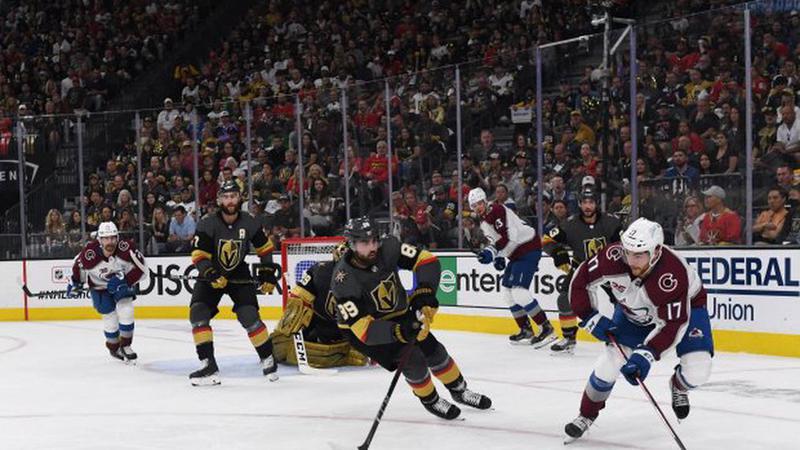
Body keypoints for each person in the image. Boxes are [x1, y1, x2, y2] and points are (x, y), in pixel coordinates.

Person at [563, 218, 713, 442]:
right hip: (633, 314)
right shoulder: (613, 257)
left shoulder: (672, 274)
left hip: (688, 310)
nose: (630, 260)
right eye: (628, 251)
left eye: (639, 254)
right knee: (609, 363)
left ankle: (678, 386)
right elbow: (580, 280)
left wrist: (646, 354)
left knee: (699, 370)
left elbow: (672, 325)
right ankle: (586, 415)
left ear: (656, 251)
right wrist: (589, 316)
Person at [331, 217, 491, 420]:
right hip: (366, 328)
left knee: (434, 350)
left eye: (374, 240)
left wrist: (424, 291)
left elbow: (426, 260)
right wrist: (399, 331)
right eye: (365, 242)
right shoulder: (343, 280)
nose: (372, 247)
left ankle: (460, 391)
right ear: (352, 245)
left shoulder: (388, 247)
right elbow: (364, 331)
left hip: (399, 314)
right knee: (412, 360)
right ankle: (431, 400)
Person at [188, 181, 281, 385]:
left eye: (233, 196)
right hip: (212, 272)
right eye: (226, 197)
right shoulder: (207, 223)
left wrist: (267, 274)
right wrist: (210, 273)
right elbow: (198, 254)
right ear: (219, 200)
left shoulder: (250, 222)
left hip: (238, 272)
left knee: (249, 316)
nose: (230, 201)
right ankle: (208, 364)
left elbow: (265, 249)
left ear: (240, 198)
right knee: (198, 313)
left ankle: (267, 357)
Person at [468, 187, 556, 348]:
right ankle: (526, 329)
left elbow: (511, 237)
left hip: (528, 247)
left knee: (519, 291)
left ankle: (547, 327)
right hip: (516, 253)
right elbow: (497, 242)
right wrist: (498, 256)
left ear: (485, 200)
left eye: (479, 203)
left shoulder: (498, 209)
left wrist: (493, 252)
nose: (477, 207)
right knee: (508, 293)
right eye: (473, 206)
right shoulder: (484, 222)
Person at [541, 187, 623, 354]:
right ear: (579, 204)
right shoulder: (569, 224)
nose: (587, 206)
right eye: (584, 202)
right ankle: (569, 339)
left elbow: (624, 243)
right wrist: (558, 253)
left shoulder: (611, 222)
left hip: (608, 267)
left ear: (596, 204)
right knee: (564, 298)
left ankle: (625, 335)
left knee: (623, 299)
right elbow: (546, 239)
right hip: (582, 267)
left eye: (591, 202)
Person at [270, 242, 367, 368]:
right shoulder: (320, 271)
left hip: (348, 334)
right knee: (279, 345)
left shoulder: (368, 279)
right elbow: (298, 302)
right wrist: (289, 325)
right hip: (318, 328)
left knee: (359, 355)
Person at [67, 222, 147, 363]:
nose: (110, 242)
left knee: (126, 310)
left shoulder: (126, 249)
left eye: (112, 238)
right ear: (100, 239)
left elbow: (142, 269)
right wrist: (75, 282)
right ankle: (114, 347)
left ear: (117, 237)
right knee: (109, 317)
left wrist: (126, 280)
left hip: (120, 284)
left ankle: (126, 346)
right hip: (99, 288)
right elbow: (77, 266)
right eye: (106, 238)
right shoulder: (89, 253)